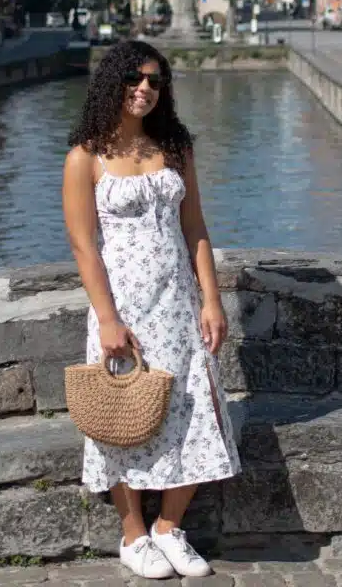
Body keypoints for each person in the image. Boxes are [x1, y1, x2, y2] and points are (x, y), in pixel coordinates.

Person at [62, 40, 240, 580]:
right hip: (123, 311)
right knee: (120, 417)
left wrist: (211, 299)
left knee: (192, 410)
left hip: (179, 304)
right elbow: (82, 244)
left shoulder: (176, 147)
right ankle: (133, 532)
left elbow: (195, 228)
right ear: (112, 82)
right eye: (134, 78)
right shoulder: (84, 157)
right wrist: (108, 318)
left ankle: (169, 527)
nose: (145, 89)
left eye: (155, 81)